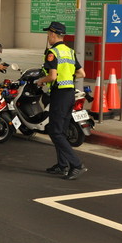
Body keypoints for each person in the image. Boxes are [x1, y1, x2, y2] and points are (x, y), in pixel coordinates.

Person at [36, 21, 87, 180]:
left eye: (48, 34)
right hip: (70, 94)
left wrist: (40, 81)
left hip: (59, 96)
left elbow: (52, 76)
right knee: (61, 131)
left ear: (52, 34)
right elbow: (81, 73)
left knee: (55, 131)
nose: (47, 37)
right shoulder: (70, 52)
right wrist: (67, 77)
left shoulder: (53, 53)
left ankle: (77, 165)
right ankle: (62, 165)